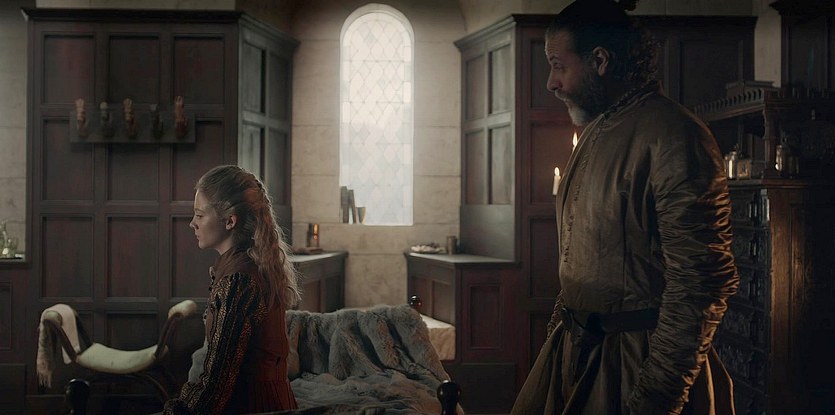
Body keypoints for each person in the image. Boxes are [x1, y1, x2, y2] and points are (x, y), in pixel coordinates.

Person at [511, 0, 739, 414]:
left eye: (558, 66)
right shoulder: (596, 129)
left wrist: (656, 396)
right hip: (578, 356)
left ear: (599, 60)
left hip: (636, 366)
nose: (551, 83)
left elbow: (700, 284)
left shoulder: (674, 134)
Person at [163, 165, 301, 414]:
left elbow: (216, 387)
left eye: (199, 215)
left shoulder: (239, 280)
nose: (192, 223)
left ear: (229, 221)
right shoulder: (245, 266)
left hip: (254, 407)